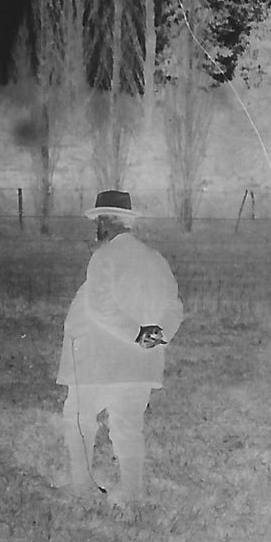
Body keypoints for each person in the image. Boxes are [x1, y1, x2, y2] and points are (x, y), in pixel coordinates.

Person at [56, 190, 184, 505]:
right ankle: (132, 496)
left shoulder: (104, 257)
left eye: (99, 221)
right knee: (128, 427)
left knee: (79, 418)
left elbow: (100, 307)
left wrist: (136, 333)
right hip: (140, 365)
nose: (97, 228)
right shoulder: (156, 259)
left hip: (99, 362)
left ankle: (82, 488)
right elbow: (174, 308)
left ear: (107, 222)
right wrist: (156, 334)